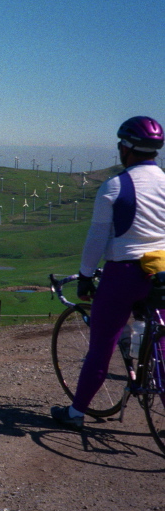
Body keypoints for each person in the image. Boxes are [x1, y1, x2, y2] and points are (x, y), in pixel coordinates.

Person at [51, 116, 165, 430]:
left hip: (124, 275)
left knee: (101, 346)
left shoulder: (115, 186)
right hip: (162, 273)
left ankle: (76, 414)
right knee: (164, 344)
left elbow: (97, 238)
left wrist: (86, 276)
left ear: (126, 147)